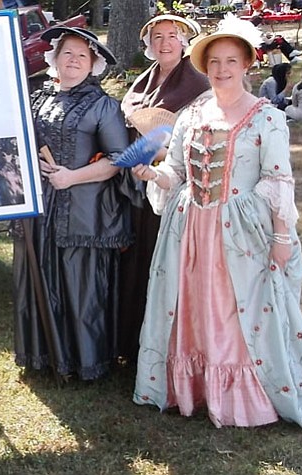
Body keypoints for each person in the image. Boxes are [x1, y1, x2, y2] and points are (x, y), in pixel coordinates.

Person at [131, 14, 302, 428]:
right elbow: (176, 171)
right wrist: (152, 174)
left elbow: (278, 179)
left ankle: (247, 397)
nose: (222, 69)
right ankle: (194, 388)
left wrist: (282, 237)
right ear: (204, 66)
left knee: (238, 311)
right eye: (214, 62)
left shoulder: (266, 116)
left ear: (247, 65)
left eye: (231, 61)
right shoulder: (194, 114)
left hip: (243, 234)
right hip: (191, 230)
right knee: (193, 308)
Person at [12, 26, 133, 381]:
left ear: (93, 63)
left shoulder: (102, 105)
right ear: (55, 58)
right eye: (68, 53)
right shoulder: (39, 97)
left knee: (79, 285)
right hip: (40, 207)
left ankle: (84, 362)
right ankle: (45, 355)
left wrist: (71, 177)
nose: (74, 60)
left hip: (83, 207)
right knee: (40, 277)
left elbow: (118, 160)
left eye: (83, 55)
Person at [118, 14, 210, 363]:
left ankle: (173, 351)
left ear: (184, 41)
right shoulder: (143, 82)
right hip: (140, 183)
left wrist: (164, 153)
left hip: (178, 187)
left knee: (169, 260)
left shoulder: (199, 83)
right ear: (148, 44)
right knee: (141, 259)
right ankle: (135, 342)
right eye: (157, 36)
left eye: (172, 35)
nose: (165, 42)